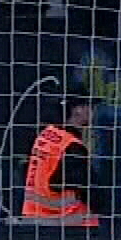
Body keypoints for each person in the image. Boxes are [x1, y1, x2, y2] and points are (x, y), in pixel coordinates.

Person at [21, 93, 102, 226]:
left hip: (34, 217)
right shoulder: (72, 147)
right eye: (89, 106)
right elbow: (90, 192)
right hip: (66, 224)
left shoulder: (46, 134)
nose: (92, 111)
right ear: (78, 110)